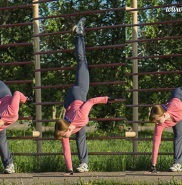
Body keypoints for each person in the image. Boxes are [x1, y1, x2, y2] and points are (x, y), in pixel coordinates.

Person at [53, 17, 114, 176]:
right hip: (69, 103)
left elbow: (91, 101)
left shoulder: (80, 116)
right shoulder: (64, 130)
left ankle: (79, 34)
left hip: (77, 94)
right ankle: (83, 163)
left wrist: (107, 99)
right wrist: (69, 170)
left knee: (82, 62)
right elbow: (66, 149)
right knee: (80, 133)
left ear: (66, 130)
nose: (63, 139)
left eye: (63, 137)